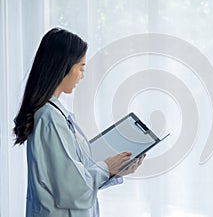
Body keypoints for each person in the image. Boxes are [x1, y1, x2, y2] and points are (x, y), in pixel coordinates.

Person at [13, 27, 145, 217]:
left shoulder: (54, 114)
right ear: (63, 67)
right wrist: (107, 167)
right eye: (81, 68)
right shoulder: (50, 117)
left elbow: (73, 179)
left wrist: (114, 171)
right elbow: (72, 189)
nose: (82, 76)